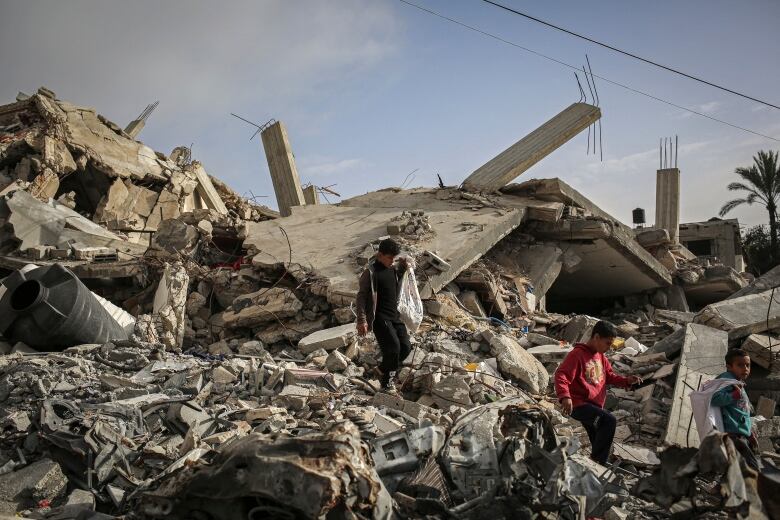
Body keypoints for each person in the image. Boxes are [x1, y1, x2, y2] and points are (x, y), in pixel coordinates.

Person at [554, 320, 642, 464]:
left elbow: (609, 376)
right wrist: (565, 396)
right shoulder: (577, 354)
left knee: (598, 438)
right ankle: (598, 463)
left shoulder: (601, 357)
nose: (609, 347)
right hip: (579, 404)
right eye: (607, 343)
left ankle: (594, 466)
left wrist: (627, 381)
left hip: (594, 406)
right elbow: (561, 375)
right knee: (608, 421)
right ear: (596, 337)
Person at [355, 238, 411, 390]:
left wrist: (403, 269)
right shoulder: (370, 273)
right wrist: (362, 320)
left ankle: (382, 370)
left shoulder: (392, 269)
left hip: (394, 316)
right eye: (389, 258)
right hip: (380, 318)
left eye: (394, 258)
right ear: (380, 255)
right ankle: (387, 384)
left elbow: (395, 282)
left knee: (405, 347)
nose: (392, 261)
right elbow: (361, 296)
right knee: (393, 349)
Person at [712, 348, 759, 470]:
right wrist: (734, 395)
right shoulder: (727, 380)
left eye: (748, 365)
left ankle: (720, 488)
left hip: (741, 434)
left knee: (737, 469)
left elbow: (742, 412)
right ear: (729, 367)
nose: (745, 368)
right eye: (740, 365)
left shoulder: (738, 383)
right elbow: (714, 398)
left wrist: (749, 433)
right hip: (733, 434)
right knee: (752, 468)